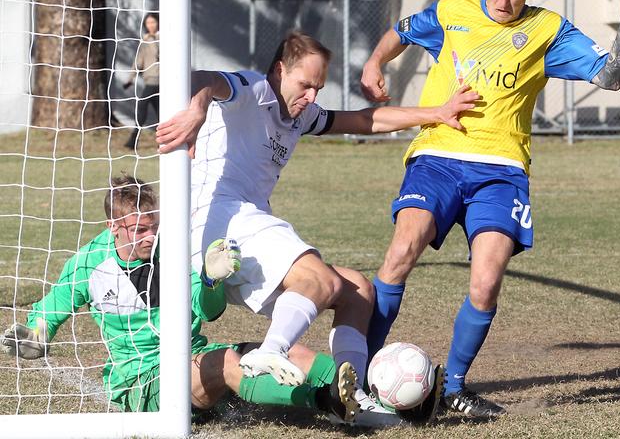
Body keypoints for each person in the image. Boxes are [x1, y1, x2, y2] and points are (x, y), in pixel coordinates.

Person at [359, 0, 620, 418]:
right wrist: (375, 62)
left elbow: (610, 76)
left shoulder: (547, 30)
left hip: (502, 170)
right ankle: (357, 375)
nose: (502, 0)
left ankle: (453, 388)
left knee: (486, 282)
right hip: (438, 156)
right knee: (400, 253)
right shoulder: (454, 11)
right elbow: (403, 30)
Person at [156, 30, 478, 426]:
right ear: (279, 70)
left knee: (357, 289)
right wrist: (199, 108)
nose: (312, 96)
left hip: (241, 237)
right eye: (305, 85)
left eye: (318, 87)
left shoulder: (300, 114)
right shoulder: (254, 90)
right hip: (217, 220)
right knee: (320, 280)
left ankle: (354, 398)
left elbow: (362, 119)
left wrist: (436, 112)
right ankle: (270, 352)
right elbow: (198, 79)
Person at [0, 174, 360, 423]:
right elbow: (51, 310)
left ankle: (368, 393)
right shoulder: (88, 265)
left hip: (192, 358)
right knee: (228, 363)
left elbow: (210, 311)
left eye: (154, 226)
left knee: (291, 351)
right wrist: (36, 335)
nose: (150, 236)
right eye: (140, 229)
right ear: (113, 227)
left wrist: (209, 280)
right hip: (142, 382)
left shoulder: (172, 252)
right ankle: (324, 401)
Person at [123, 13, 160, 149]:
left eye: (153, 22)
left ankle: (134, 141)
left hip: (161, 82)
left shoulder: (163, 38)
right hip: (150, 80)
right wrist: (130, 79)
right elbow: (138, 61)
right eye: (148, 23)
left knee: (149, 109)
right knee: (149, 110)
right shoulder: (145, 41)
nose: (151, 25)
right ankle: (134, 141)